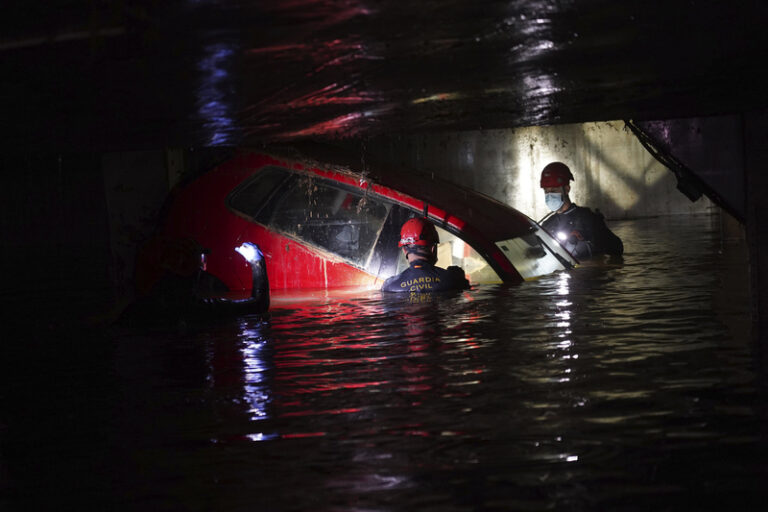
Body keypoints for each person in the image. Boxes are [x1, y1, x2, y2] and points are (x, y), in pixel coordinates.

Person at [539, 161, 623, 260]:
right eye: (546, 191)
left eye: (553, 191)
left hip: (589, 273)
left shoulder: (587, 218)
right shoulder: (547, 224)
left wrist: (592, 237)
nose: (549, 195)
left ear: (566, 189)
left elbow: (617, 248)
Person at [381, 217, 470, 295]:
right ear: (433, 248)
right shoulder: (453, 280)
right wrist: (460, 278)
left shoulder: (390, 286)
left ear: (405, 250)